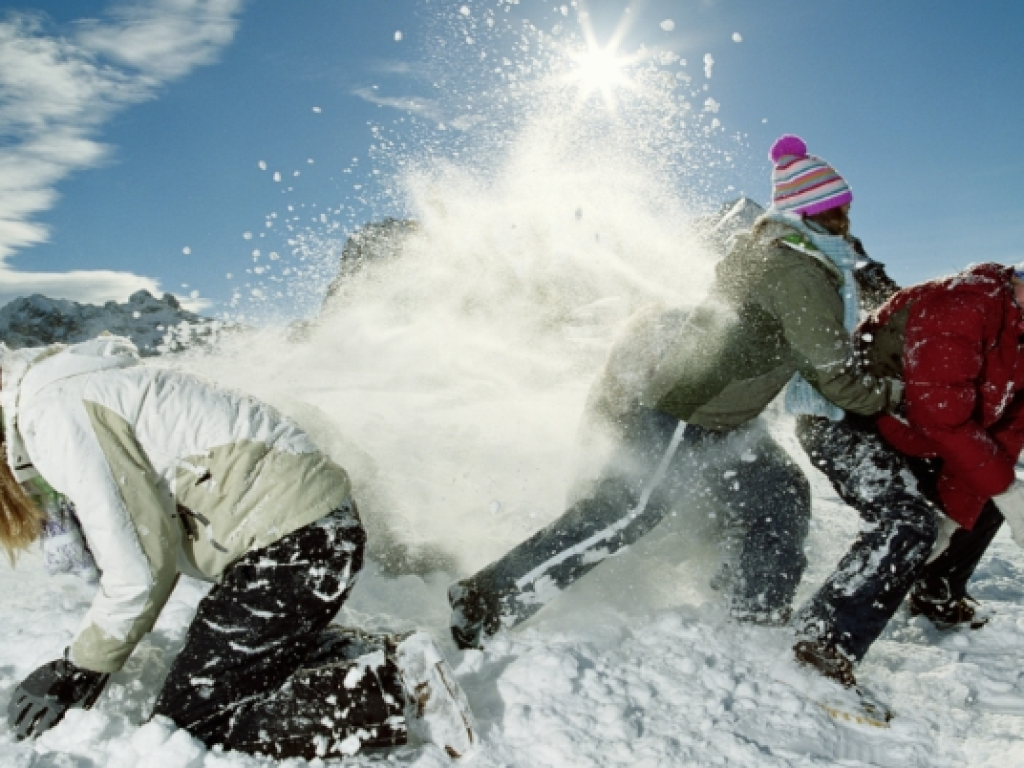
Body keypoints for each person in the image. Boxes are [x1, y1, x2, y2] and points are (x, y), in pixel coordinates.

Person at [448, 135, 903, 651]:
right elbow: (832, 373)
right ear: (822, 212)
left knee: (780, 495)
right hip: (689, 411)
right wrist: (892, 396)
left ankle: (751, 619)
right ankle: (486, 598)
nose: (847, 220)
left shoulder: (778, 253)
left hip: (728, 420)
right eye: (840, 209)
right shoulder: (798, 271)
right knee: (626, 512)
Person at [0, 337, 475, 760]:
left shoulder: (54, 414)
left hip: (293, 546)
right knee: (223, 662)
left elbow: (141, 563)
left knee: (191, 725)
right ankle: (382, 654)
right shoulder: (66, 394)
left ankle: (401, 694)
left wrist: (80, 665)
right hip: (308, 538)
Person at [856, 263, 1024, 628]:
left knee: (990, 491)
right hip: (877, 419)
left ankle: (937, 589)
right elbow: (939, 416)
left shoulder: (1019, 325)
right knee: (912, 521)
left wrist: (958, 516)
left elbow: (1004, 435)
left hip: (939, 434)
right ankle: (844, 615)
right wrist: (1009, 495)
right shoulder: (964, 303)